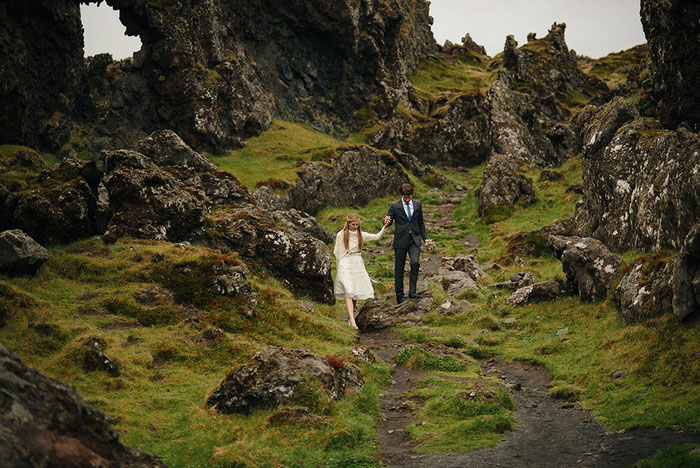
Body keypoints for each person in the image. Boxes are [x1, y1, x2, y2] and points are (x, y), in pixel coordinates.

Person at [333, 213, 390, 329]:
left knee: (354, 292)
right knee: (348, 291)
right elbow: (337, 252)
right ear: (348, 224)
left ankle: (350, 317)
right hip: (345, 262)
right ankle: (353, 322)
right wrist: (339, 267)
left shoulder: (361, 235)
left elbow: (376, 237)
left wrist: (384, 227)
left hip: (357, 262)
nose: (355, 227)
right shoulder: (341, 235)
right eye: (353, 224)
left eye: (357, 225)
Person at [384, 183, 428, 303]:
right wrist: (386, 221)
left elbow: (421, 224)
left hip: (414, 239)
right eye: (405, 197)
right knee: (399, 269)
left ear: (412, 195)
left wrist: (426, 239)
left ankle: (412, 292)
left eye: (409, 197)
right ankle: (399, 296)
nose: (407, 199)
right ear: (402, 196)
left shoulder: (418, 204)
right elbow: (389, 220)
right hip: (400, 240)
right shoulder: (394, 205)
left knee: (415, 263)